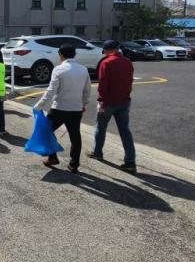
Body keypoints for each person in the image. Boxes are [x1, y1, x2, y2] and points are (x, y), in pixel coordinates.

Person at [32, 44, 91, 173]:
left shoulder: (59, 70)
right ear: (74, 54)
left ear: (60, 54)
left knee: (47, 131)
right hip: (76, 109)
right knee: (75, 136)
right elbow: (87, 91)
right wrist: (84, 104)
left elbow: (51, 91)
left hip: (59, 108)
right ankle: (74, 164)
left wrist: (38, 106)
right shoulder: (83, 69)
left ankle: (53, 157)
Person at [87, 40, 136, 173]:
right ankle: (130, 161)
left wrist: (102, 100)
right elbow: (129, 80)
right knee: (125, 131)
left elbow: (103, 84)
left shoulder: (106, 62)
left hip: (108, 101)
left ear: (107, 50)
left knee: (100, 127)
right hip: (124, 100)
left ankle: (97, 152)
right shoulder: (127, 61)